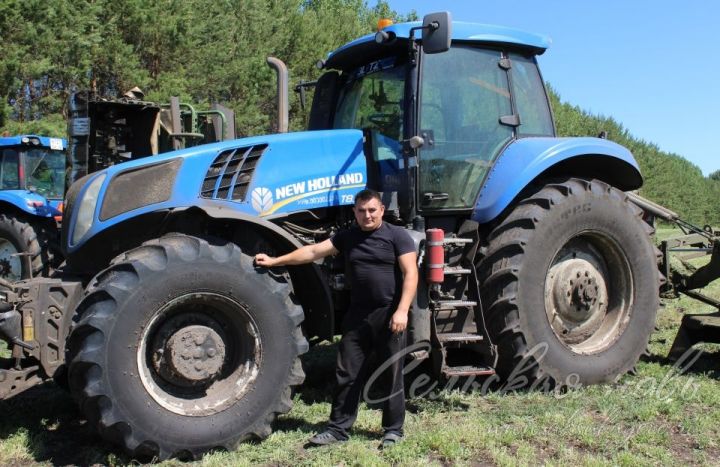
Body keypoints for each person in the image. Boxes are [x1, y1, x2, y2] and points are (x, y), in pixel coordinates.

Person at [254, 188, 418, 448]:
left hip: (389, 315)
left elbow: (411, 273)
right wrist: (275, 261)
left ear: (382, 210)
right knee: (346, 372)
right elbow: (311, 252)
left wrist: (401, 310)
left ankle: (393, 430)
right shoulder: (347, 237)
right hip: (358, 315)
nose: (367, 215)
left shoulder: (397, 236)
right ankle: (338, 429)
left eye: (372, 210)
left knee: (391, 373)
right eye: (362, 211)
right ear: (354, 211)